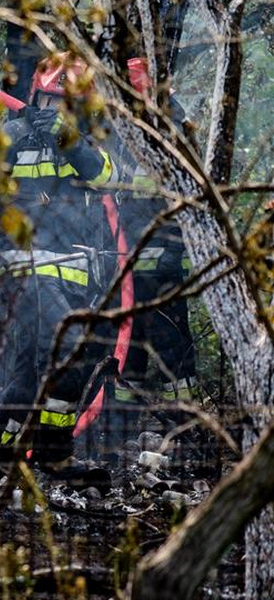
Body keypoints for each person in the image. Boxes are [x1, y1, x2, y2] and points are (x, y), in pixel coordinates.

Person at [0, 52, 117, 468]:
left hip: (73, 271)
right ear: (33, 97)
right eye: (47, 101)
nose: (53, 111)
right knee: (73, 349)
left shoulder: (87, 139)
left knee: (30, 371)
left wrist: (68, 139)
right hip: (25, 270)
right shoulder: (8, 136)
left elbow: (107, 177)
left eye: (63, 103)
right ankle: (53, 452)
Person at [110, 57, 198, 424]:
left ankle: (184, 419)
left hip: (159, 257)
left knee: (168, 338)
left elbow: (184, 197)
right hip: (132, 259)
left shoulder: (168, 131)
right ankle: (125, 420)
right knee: (129, 341)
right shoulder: (132, 127)